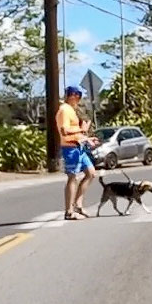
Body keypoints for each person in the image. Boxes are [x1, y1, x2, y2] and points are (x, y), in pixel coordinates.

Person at [57, 85, 96, 220]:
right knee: (72, 177)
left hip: (79, 146)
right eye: (78, 95)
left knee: (91, 173)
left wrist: (87, 138)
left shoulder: (71, 110)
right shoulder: (64, 110)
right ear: (72, 95)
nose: (79, 99)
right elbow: (64, 130)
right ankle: (69, 211)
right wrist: (83, 130)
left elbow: (76, 131)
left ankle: (78, 205)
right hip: (70, 148)